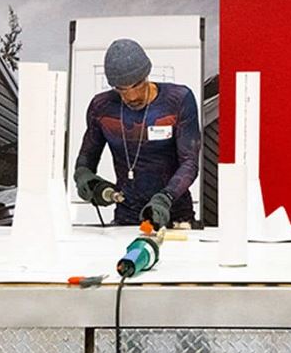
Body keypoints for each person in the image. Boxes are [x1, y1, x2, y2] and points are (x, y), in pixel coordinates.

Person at [74, 38, 201, 229]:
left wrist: (165, 198)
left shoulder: (178, 100)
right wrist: (91, 184)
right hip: (126, 215)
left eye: (136, 85)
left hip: (175, 214)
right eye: (121, 90)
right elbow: (85, 163)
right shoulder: (101, 107)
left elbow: (190, 163)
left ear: (147, 75)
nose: (131, 97)